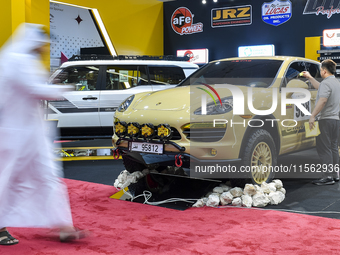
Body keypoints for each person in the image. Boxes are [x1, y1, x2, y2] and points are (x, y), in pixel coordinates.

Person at [0, 23, 88, 245]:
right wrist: (69, 87)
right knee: (8, 181)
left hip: (32, 135)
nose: (43, 48)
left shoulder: (23, 60)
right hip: (14, 136)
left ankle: (64, 227)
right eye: (41, 44)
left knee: (48, 177)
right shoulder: (17, 60)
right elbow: (36, 89)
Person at [302, 59, 340, 185]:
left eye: (321, 71)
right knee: (333, 147)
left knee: (324, 148)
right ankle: (334, 175)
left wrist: (313, 115)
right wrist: (310, 77)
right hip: (335, 120)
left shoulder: (326, 84)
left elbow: (322, 99)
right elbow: (320, 88)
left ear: (324, 71)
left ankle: (327, 176)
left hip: (325, 120)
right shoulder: (336, 82)